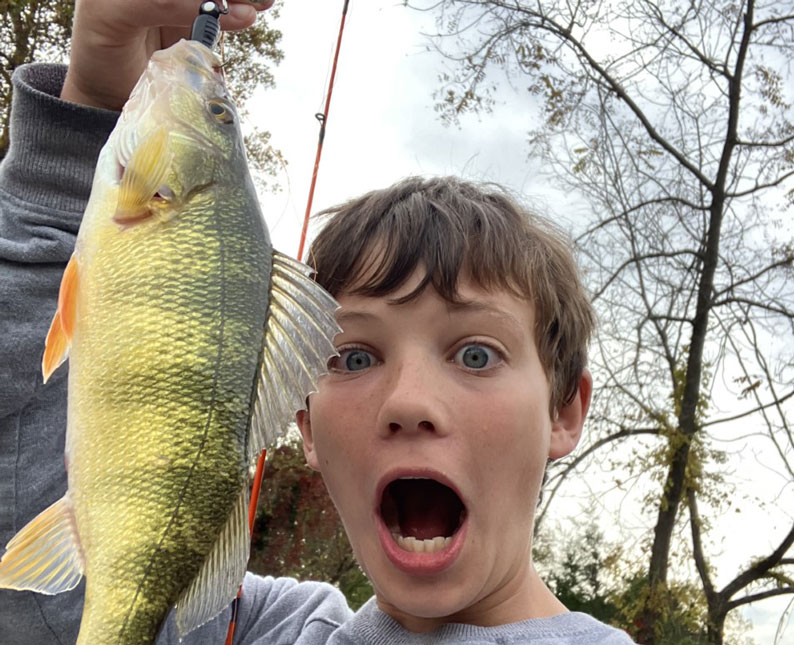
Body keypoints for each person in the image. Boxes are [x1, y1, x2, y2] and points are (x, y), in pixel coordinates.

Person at [0, 0, 636, 643]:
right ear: (302, 419)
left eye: (475, 354)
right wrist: (94, 99)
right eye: (355, 357)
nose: (408, 402)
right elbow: (49, 583)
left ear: (563, 410)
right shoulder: (260, 628)